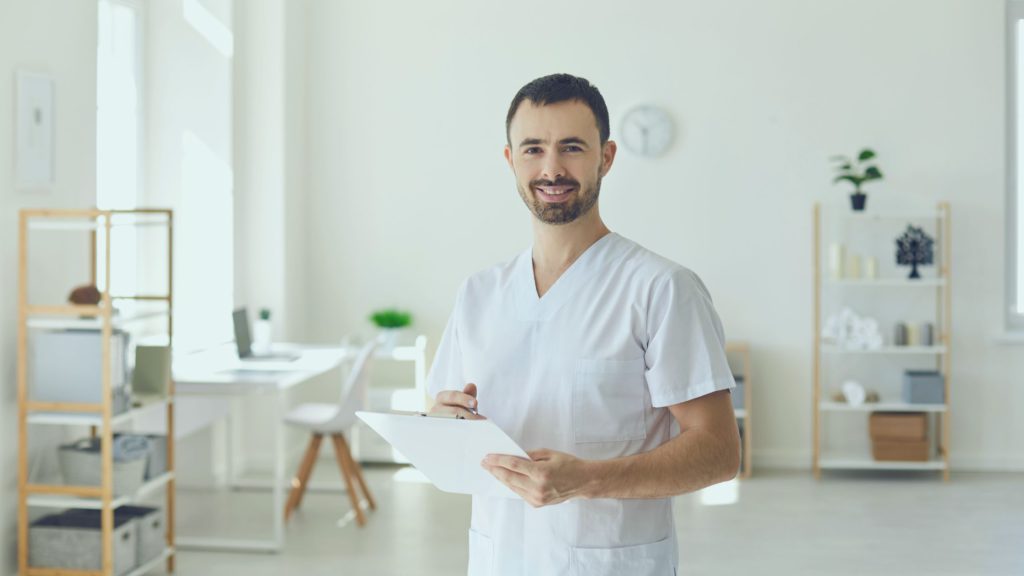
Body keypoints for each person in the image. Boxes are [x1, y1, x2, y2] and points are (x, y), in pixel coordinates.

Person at [426, 73, 740, 576]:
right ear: (510, 160)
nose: (552, 168)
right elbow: (444, 424)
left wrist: (588, 480)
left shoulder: (661, 289)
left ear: (607, 157)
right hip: (498, 558)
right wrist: (442, 427)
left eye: (571, 147)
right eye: (533, 149)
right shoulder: (478, 294)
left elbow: (719, 452)